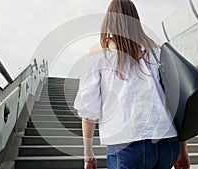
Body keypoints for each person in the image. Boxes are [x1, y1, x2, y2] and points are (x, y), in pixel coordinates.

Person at [73, 0, 190, 168]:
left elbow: (89, 109)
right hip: (168, 142)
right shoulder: (155, 50)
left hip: (128, 144)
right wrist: (183, 149)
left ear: (110, 20)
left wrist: (88, 155)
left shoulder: (100, 51)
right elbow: (175, 100)